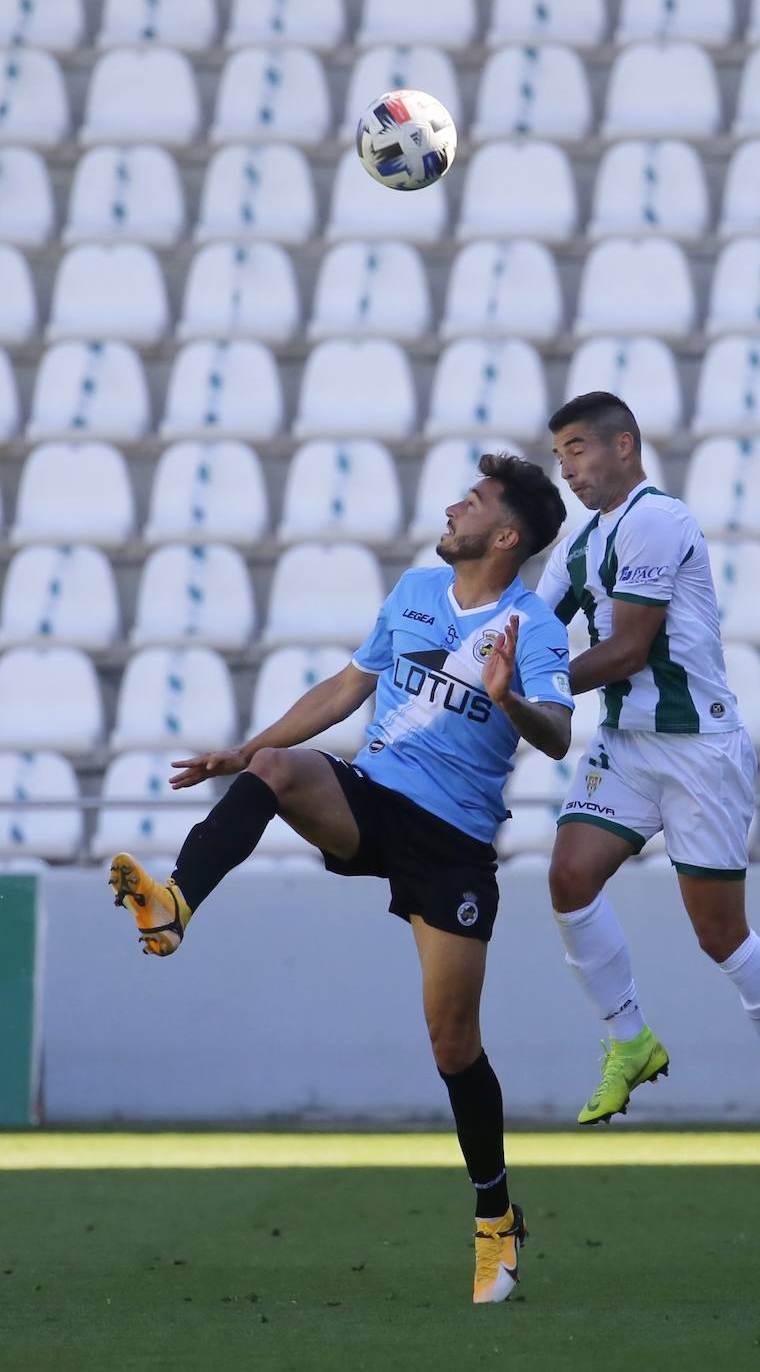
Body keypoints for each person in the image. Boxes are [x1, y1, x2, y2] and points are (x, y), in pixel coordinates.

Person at [109, 453, 572, 1303]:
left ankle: (495, 1219)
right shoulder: (411, 595)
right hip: (373, 799)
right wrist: (246, 752)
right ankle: (173, 903)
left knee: (452, 1044)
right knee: (282, 767)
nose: (451, 508)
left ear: (504, 535)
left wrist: (507, 698)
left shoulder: (534, 629)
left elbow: (556, 737)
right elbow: (348, 686)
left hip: (453, 845)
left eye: (468, 503)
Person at [537, 391, 760, 1176]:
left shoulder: (657, 520)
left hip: (699, 749)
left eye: (575, 449)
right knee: (567, 877)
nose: (565, 467)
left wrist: (529, 685)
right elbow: (528, 631)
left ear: (622, 446)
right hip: (628, 747)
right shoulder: (580, 544)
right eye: (559, 453)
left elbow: (628, 650)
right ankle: (629, 1039)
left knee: (718, 936)